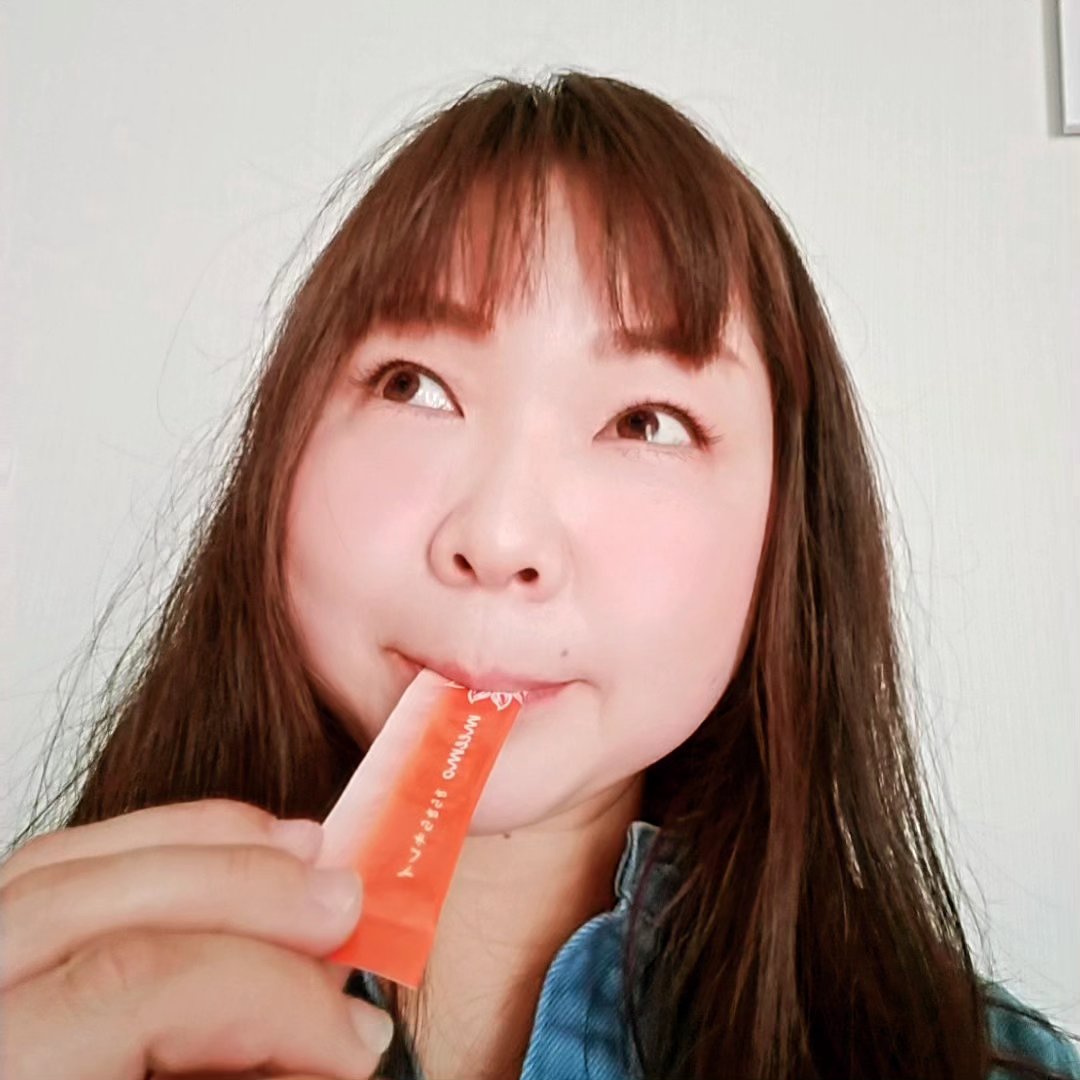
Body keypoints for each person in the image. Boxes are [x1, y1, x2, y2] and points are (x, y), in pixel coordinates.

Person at [1, 71, 1077, 1080]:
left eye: (646, 421)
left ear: (786, 529)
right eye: (412, 384)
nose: (500, 534)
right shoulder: (36, 995)